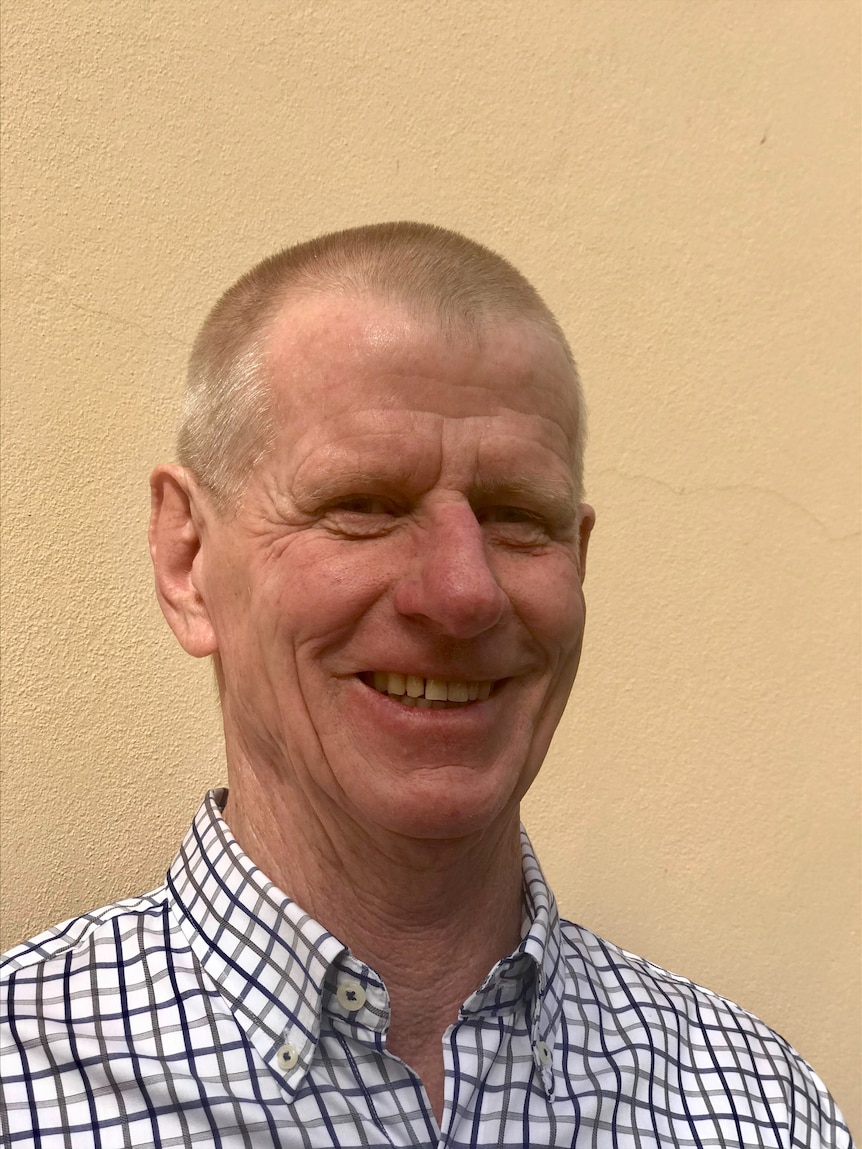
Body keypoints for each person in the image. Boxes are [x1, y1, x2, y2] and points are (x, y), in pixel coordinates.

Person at [0, 223, 852, 1149]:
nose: (463, 591)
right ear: (188, 558)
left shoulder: (758, 1106)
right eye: (363, 503)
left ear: (578, 556)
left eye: (519, 518)